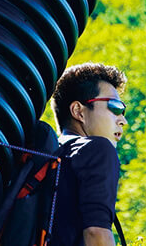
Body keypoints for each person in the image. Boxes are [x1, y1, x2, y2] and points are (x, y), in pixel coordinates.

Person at [50, 63, 128, 246]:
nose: (123, 120)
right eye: (115, 107)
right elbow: (97, 235)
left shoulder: (50, 156)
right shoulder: (98, 149)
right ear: (79, 111)